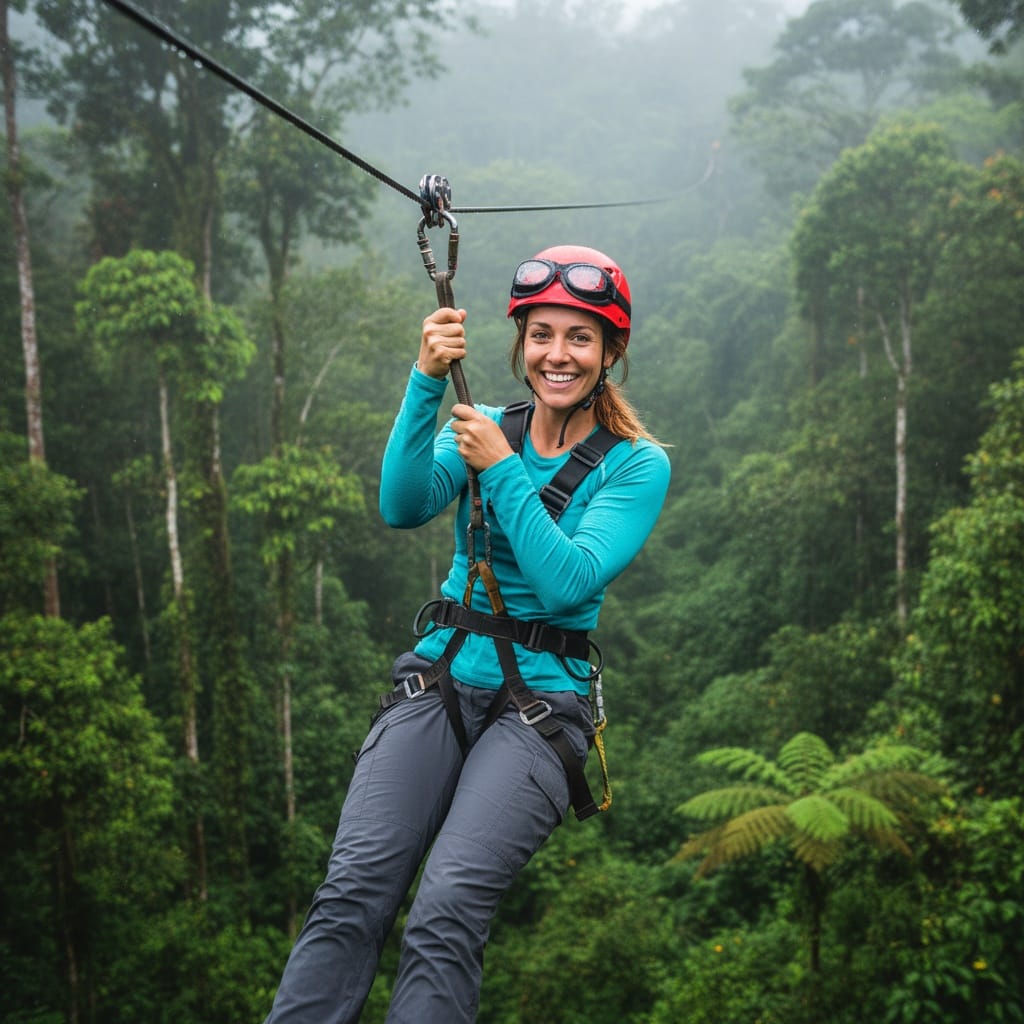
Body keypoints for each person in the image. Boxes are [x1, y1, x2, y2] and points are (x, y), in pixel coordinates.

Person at [262, 244, 671, 1024]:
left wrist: (503, 468)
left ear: (610, 352)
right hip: (444, 676)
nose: (558, 354)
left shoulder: (635, 466)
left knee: (446, 908)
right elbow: (404, 503)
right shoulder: (485, 424)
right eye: (542, 334)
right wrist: (424, 382)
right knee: (355, 889)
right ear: (519, 343)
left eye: (580, 338)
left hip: (541, 707)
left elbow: (568, 583)